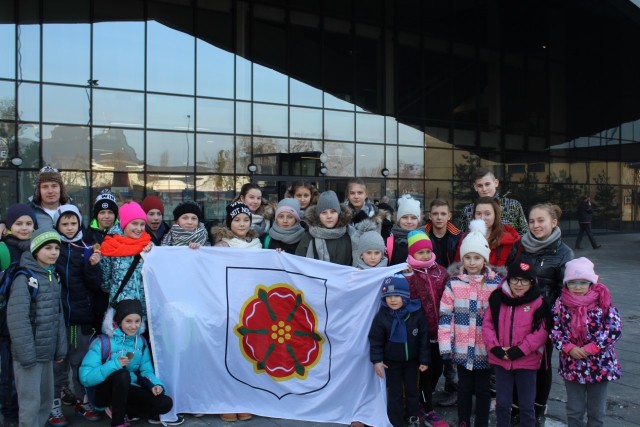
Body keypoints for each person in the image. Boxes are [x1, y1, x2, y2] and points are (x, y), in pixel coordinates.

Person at [506, 203, 573, 425]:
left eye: (541, 220)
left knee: (542, 364)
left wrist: (550, 315)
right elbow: (509, 276)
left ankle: (538, 409)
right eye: (532, 221)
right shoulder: (519, 246)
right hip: (515, 316)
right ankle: (517, 408)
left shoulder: (564, 253)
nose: (535, 225)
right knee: (516, 360)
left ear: (553, 223)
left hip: (544, 319)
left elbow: (567, 290)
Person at [439, 219, 504, 427]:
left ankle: (482, 423)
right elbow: (445, 315)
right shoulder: (454, 283)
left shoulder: (495, 285)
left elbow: (502, 316)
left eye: (477, 257)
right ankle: (463, 421)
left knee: (484, 389)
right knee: (464, 388)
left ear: (484, 259)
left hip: (486, 348)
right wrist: (445, 345)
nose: (473, 262)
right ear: (463, 259)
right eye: (468, 257)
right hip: (461, 348)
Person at [79, 299, 184, 426]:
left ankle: (128, 410)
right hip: (102, 394)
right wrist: (114, 364)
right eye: (128, 321)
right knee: (122, 374)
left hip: (128, 389)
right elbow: (85, 378)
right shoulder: (102, 342)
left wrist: (155, 385)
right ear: (118, 322)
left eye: (137, 321)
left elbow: (146, 371)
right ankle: (118, 422)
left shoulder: (141, 342)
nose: (133, 326)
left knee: (165, 403)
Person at [550, 257, 621, 427]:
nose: (578, 287)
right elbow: (554, 330)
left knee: (596, 412)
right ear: (566, 284)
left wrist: (593, 347)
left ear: (591, 283)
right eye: (573, 282)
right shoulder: (561, 304)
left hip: (600, 363)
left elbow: (613, 329)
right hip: (572, 363)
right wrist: (568, 347)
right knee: (574, 411)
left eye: (583, 282)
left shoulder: (602, 302)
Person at [7, 228, 67, 427]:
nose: (53, 252)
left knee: (45, 401)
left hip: (47, 353)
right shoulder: (24, 278)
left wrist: (60, 348)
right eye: (48, 248)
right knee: (30, 404)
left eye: (56, 248)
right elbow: (17, 319)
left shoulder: (52, 276)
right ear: (35, 250)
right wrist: (26, 355)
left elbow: (58, 316)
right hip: (29, 356)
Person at [50, 205, 103, 426]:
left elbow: (95, 284)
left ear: (79, 223)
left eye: (73, 223)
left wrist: (93, 266)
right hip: (58, 316)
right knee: (58, 363)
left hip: (81, 317)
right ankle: (55, 405)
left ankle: (83, 400)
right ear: (57, 226)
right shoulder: (53, 247)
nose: (69, 228)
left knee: (80, 361)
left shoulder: (88, 247)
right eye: (65, 224)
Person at [483, 260, 549, 427]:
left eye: (524, 280)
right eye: (515, 280)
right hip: (501, 360)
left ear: (532, 282)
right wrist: (495, 347)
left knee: (527, 406)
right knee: (503, 404)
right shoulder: (497, 298)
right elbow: (487, 324)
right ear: (508, 279)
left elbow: (541, 331)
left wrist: (520, 350)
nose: (519, 284)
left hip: (526, 361)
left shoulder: (538, 302)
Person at [210, 202, 258, 422]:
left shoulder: (257, 245)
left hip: (251, 308)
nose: (242, 224)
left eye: (246, 220)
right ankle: (225, 401)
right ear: (229, 222)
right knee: (226, 356)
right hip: (227, 307)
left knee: (245, 357)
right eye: (237, 220)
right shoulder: (221, 247)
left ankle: (243, 400)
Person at [368, 275, 429, 427]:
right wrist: (377, 361)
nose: (392, 300)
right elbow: (375, 340)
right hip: (391, 363)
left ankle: (413, 417)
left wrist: (424, 359)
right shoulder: (383, 316)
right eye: (388, 296)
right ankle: (396, 421)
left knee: (412, 391)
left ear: (405, 296)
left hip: (411, 362)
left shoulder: (416, 314)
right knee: (394, 393)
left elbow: (423, 338)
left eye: (396, 295)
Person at [403, 230, 449, 427]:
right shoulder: (408, 273)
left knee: (437, 369)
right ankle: (426, 408)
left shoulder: (441, 271)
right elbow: (408, 301)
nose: (424, 256)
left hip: (441, 332)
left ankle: (424, 400)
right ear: (412, 254)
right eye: (419, 252)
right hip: (420, 334)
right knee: (424, 372)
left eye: (427, 252)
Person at [0, 204, 36, 425]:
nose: (24, 228)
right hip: (5, 322)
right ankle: (9, 413)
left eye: (29, 223)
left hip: (29, 321)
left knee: (24, 372)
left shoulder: (36, 248)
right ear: (9, 226)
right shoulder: (4, 248)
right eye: (19, 223)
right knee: (8, 373)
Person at [101, 202, 153, 319]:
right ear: (124, 224)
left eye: (142, 224)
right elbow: (104, 282)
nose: (139, 229)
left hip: (144, 309)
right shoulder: (109, 246)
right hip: (120, 308)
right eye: (134, 224)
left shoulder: (149, 246)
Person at [84, 190, 119, 337]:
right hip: (95, 295)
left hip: (116, 293)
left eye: (110, 212)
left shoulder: (121, 233)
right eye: (102, 212)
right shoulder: (87, 235)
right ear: (96, 214)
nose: (106, 216)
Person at [456, 167, 528, 235]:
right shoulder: (467, 210)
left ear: (496, 183)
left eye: (487, 184)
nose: (484, 189)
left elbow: (524, 233)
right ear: (475, 187)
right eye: (480, 185)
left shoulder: (514, 205)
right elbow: (462, 238)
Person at [457, 196, 519, 267]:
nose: (482, 218)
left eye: (487, 214)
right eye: (478, 213)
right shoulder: (466, 238)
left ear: (496, 215)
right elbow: (458, 266)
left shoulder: (509, 241)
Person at [295, 191, 352, 266]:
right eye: (324, 212)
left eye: (333, 212)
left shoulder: (350, 236)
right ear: (318, 215)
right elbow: (297, 264)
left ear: (339, 213)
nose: (329, 216)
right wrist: (279, 255)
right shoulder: (309, 237)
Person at [28, 165, 70, 230]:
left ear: (61, 188)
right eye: (45, 187)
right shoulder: (29, 212)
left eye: (54, 186)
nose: (50, 191)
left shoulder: (71, 209)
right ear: (39, 190)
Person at [423, 198, 462, 269]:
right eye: (435, 214)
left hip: (451, 276)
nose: (439, 217)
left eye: (443, 214)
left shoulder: (458, 237)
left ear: (449, 216)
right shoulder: (421, 235)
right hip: (427, 277)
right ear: (430, 216)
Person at [387, 195, 422, 266]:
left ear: (418, 221)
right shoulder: (389, 241)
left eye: (413, 218)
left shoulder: (425, 239)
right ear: (398, 220)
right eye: (404, 217)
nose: (409, 221)